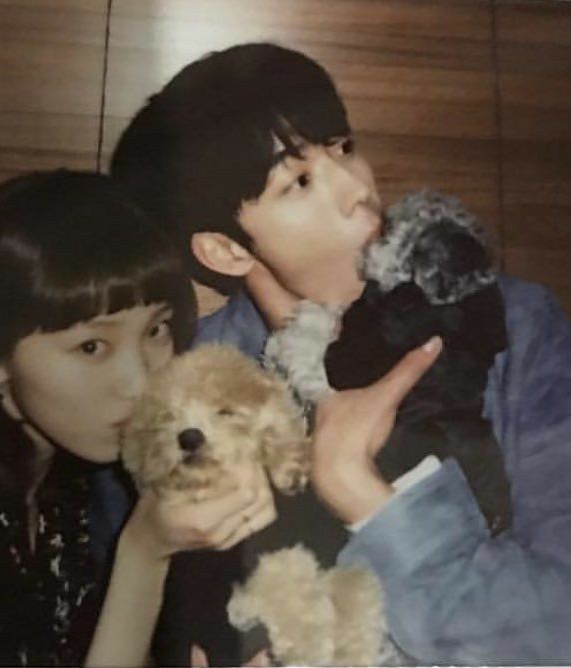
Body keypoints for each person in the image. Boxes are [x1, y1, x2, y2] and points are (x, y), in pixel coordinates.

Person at [107, 43, 571, 664]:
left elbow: (556, 636)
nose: (358, 189)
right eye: (299, 181)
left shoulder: (511, 325)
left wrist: (367, 496)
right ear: (225, 250)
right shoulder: (191, 396)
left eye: (344, 148)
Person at [0, 170, 275, 666]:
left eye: (156, 330)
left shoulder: (62, 485)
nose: (141, 382)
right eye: (92, 346)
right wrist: (144, 553)